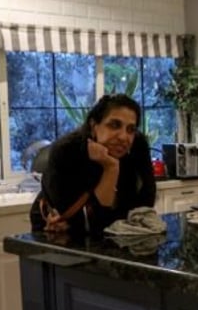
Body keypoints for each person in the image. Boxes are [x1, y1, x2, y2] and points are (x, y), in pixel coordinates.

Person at [30, 94, 156, 235]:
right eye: (114, 125)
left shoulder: (138, 145)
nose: (123, 137)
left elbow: (146, 201)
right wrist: (111, 168)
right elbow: (89, 222)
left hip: (114, 231)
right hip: (53, 231)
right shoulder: (67, 150)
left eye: (131, 129)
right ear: (93, 125)